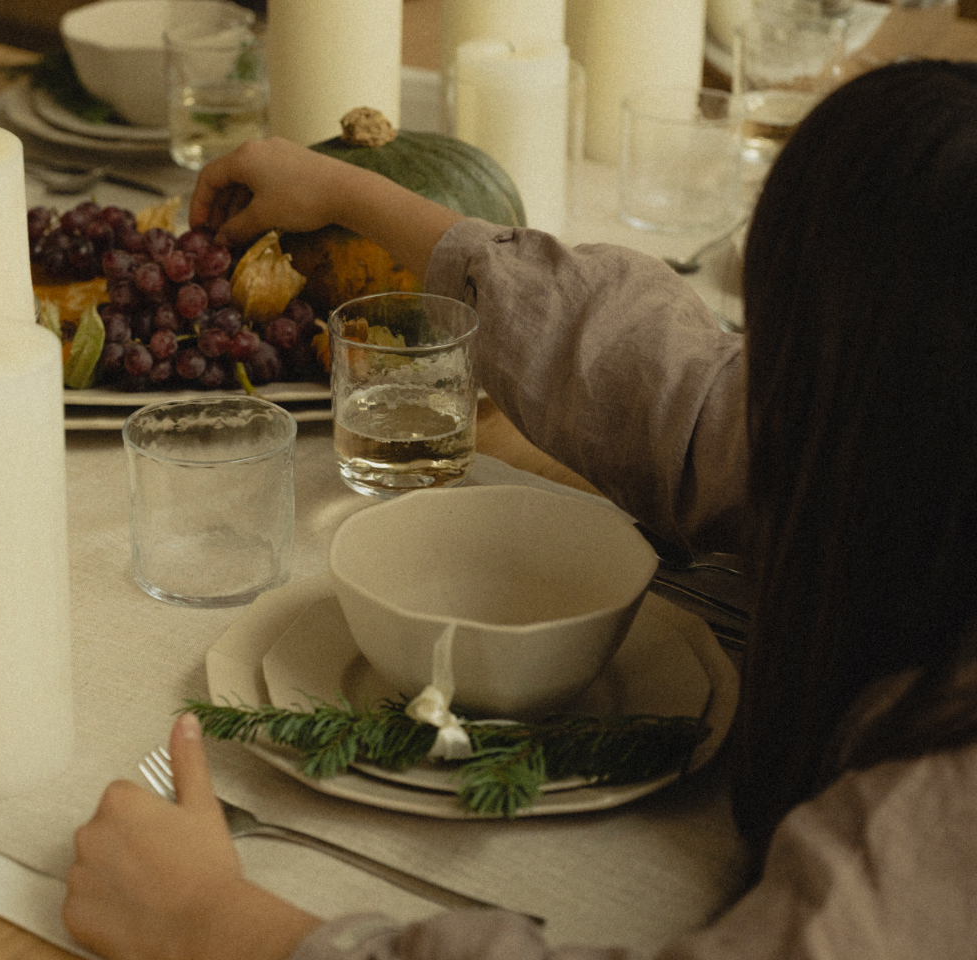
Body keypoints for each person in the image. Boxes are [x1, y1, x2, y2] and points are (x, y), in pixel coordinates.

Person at [62, 60, 977, 959]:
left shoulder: (930, 829)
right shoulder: (928, 454)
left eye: (781, 348)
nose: (758, 385)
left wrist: (218, 925)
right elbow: (691, 402)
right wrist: (358, 195)